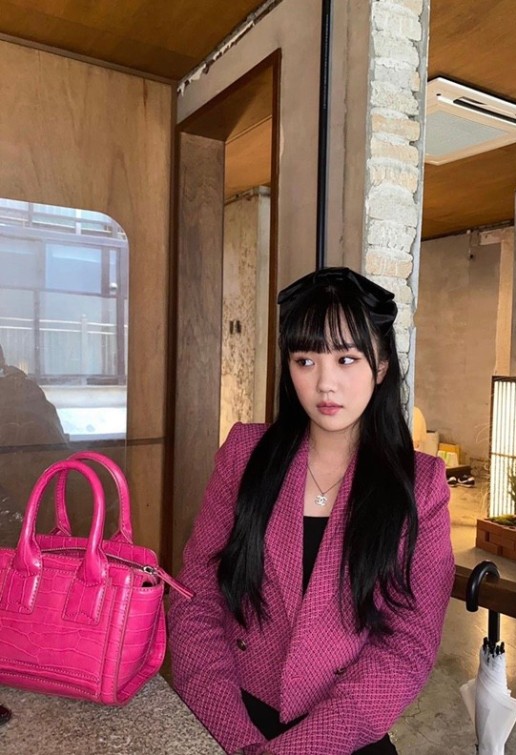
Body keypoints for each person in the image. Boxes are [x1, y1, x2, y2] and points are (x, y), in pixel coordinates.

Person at [168, 267, 455, 755]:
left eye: (347, 359)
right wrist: (239, 741)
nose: (326, 384)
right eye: (306, 360)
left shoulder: (419, 485)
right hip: (230, 722)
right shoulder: (245, 454)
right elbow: (195, 599)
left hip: (345, 734)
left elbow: (408, 645)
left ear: (381, 366)